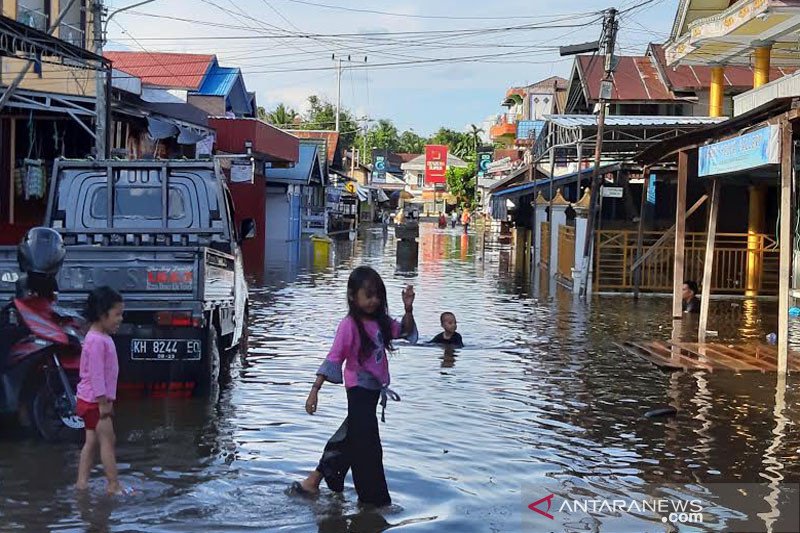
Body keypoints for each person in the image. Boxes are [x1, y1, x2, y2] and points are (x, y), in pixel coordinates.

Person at [293, 266, 417, 507]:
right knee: (367, 447)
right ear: (353, 296)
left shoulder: (381, 322)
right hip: (358, 391)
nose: (374, 300)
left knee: (351, 437)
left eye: (377, 295)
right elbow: (334, 357)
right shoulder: (349, 325)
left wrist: (408, 308)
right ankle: (374, 502)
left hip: (372, 393)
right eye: (368, 295)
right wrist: (314, 390)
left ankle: (314, 481)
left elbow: (405, 330)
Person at [76, 286, 125, 494]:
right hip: (96, 401)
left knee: (91, 442)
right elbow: (96, 375)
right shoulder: (96, 340)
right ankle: (113, 485)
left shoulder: (97, 337)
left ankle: (81, 483)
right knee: (108, 441)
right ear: (102, 314)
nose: (120, 319)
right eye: (117, 315)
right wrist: (104, 403)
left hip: (88, 399)